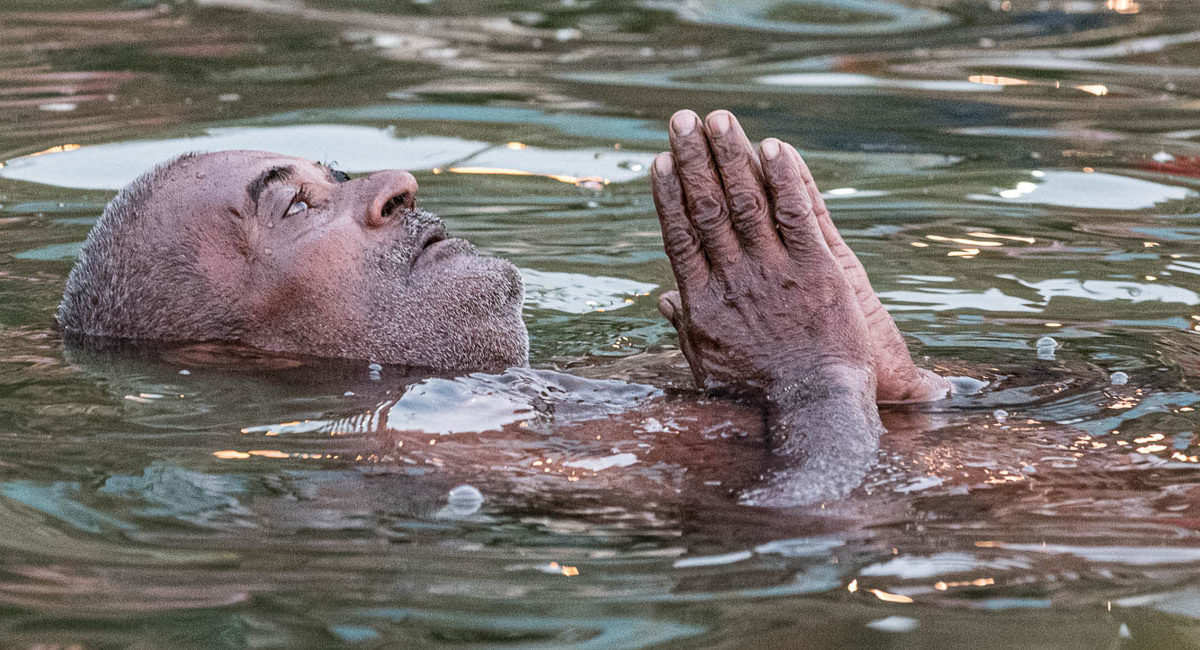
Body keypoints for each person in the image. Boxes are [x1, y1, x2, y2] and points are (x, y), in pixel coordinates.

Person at [56, 109, 950, 505]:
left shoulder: (528, 407)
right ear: (219, 355)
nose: (392, 182)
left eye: (335, 175)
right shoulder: (408, 459)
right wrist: (818, 377)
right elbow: (804, 564)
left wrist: (900, 391)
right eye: (296, 205)